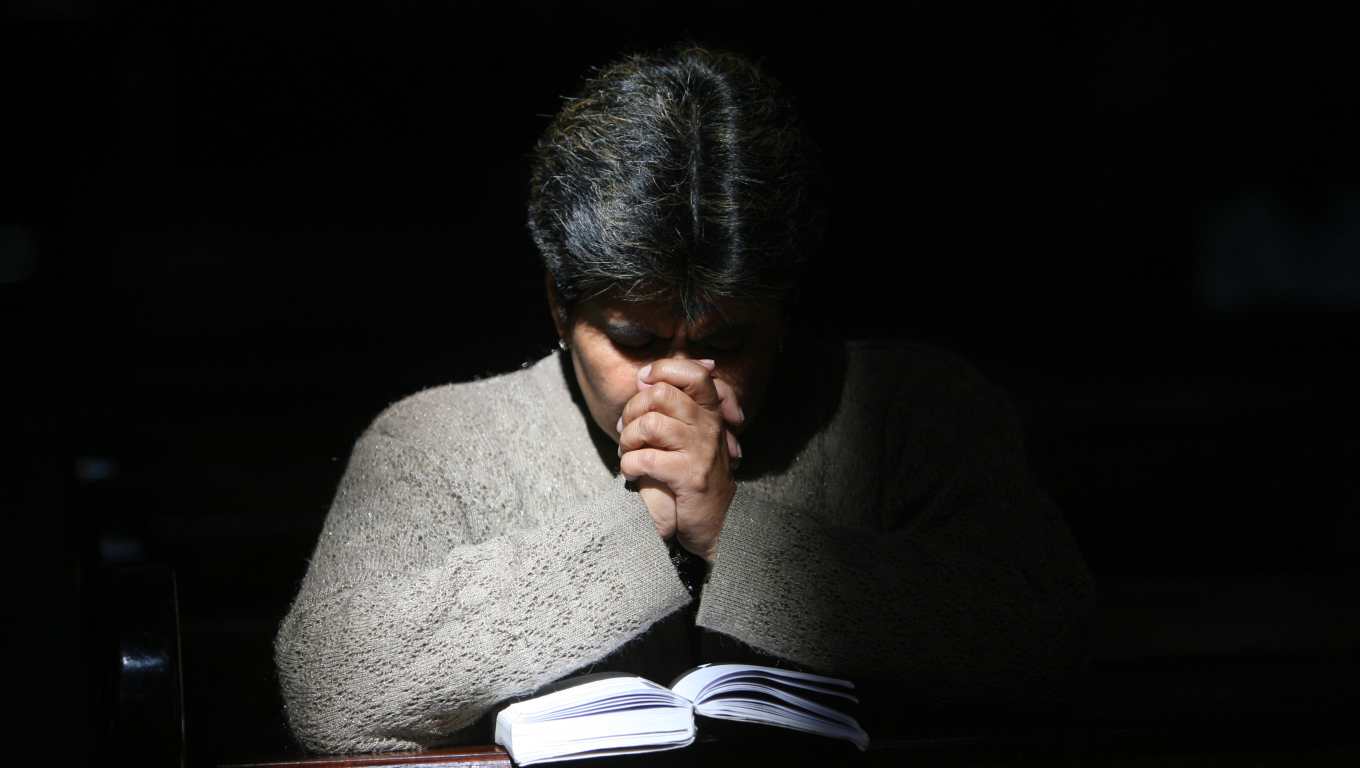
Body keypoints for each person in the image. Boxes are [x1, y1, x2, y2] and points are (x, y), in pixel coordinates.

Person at [273, 43, 1098, 755]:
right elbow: (330, 689)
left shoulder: (912, 409)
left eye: (726, 342)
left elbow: (1051, 640)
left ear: (784, 311)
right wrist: (637, 528)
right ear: (560, 306)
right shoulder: (435, 440)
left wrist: (733, 528)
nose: (679, 382)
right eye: (635, 341)